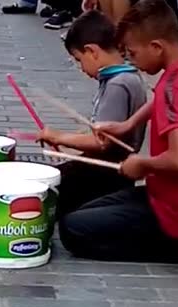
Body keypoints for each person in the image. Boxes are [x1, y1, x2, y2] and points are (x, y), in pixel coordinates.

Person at [60, 0, 178, 265]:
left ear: (157, 47)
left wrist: (142, 164)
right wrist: (127, 125)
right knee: (85, 210)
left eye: (134, 53)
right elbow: (161, 97)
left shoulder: (174, 88)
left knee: (72, 229)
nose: (132, 61)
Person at [36, 10, 147, 218]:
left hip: (106, 175)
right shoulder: (126, 77)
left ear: (92, 51)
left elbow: (102, 143)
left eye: (79, 60)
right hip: (108, 171)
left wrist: (58, 136)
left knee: (43, 195)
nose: (81, 67)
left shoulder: (118, 84)